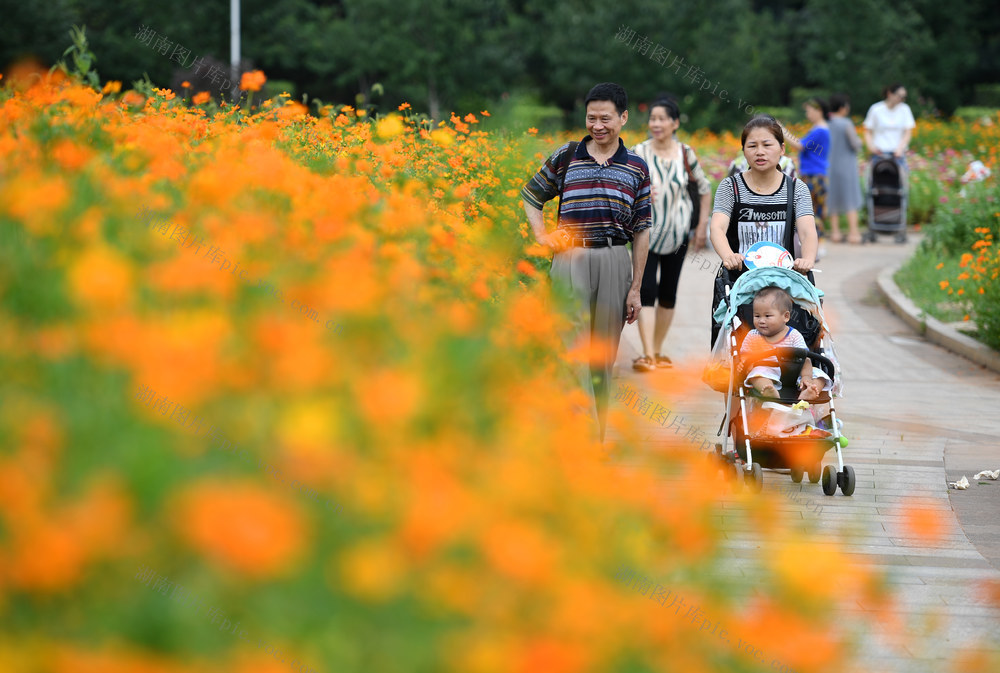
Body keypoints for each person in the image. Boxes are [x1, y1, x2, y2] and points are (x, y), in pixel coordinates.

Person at [521, 82, 651, 440]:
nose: (597, 125)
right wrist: (541, 235)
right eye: (591, 117)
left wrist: (636, 288)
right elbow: (531, 195)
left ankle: (598, 432)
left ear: (623, 118)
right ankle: (578, 436)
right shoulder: (567, 155)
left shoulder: (637, 168)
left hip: (614, 259)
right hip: (570, 258)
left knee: (602, 355)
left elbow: (642, 230)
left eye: (605, 118)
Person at [709, 114, 818, 346]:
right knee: (733, 349)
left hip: (784, 283)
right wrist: (728, 256)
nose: (760, 151)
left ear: (782, 149)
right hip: (739, 281)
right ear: (744, 151)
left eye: (767, 145)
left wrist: (807, 260)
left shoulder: (796, 189)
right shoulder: (731, 187)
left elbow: (808, 231)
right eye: (752, 146)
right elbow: (717, 227)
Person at [629, 98, 711, 372]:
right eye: (653, 118)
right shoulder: (638, 152)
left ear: (675, 123)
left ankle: (658, 350)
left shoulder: (686, 153)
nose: (656, 124)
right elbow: (623, 182)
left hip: (678, 233)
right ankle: (647, 354)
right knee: (647, 290)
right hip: (646, 233)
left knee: (668, 293)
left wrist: (701, 226)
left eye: (663, 118)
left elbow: (704, 187)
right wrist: (638, 192)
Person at [740, 286, 823, 401]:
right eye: (757, 316)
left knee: (821, 376)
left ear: (786, 316)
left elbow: (805, 358)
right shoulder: (753, 336)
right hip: (766, 371)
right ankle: (767, 390)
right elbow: (745, 356)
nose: (761, 320)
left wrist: (806, 377)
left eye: (767, 316)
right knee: (756, 375)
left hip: (794, 373)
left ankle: (810, 390)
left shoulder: (794, 335)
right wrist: (744, 364)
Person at [787, 98, 830, 237]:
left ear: (819, 111)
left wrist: (781, 130)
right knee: (815, 209)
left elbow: (799, 145)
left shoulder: (820, 130)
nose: (807, 114)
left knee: (811, 210)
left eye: (809, 111)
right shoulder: (821, 128)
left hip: (813, 174)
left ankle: (816, 242)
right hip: (817, 173)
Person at [826, 93, 864, 243]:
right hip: (846, 166)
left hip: (830, 166)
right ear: (842, 107)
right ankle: (853, 234)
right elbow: (855, 144)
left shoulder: (826, 123)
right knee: (850, 198)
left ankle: (835, 233)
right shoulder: (846, 123)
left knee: (832, 198)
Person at [863, 83, 915, 167]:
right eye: (899, 96)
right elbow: (868, 130)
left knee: (901, 178)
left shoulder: (905, 109)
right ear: (889, 94)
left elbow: (908, 132)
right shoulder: (876, 109)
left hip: (898, 154)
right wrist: (871, 147)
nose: (901, 100)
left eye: (904, 97)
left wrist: (900, 148)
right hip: (879, 153)